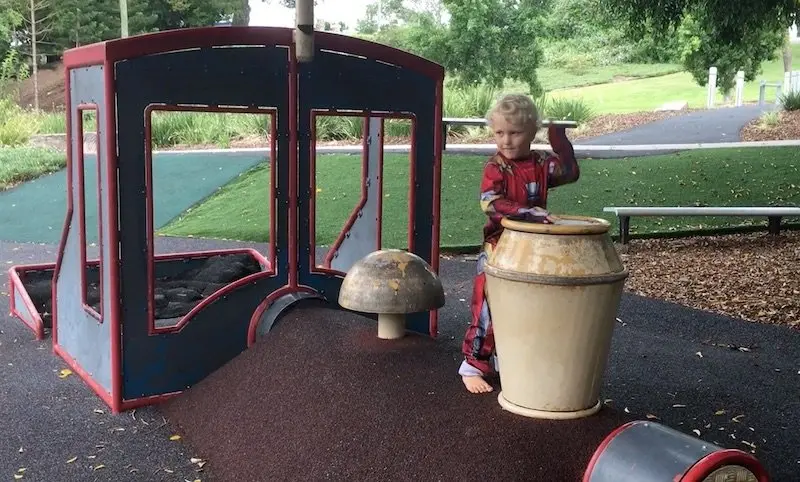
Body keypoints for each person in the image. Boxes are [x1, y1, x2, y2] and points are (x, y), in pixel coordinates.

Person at [459, 93, 581, 394]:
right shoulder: (496, 167)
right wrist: (530, 213)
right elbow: (491, 203)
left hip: (533, 248)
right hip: (499, 247)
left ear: (531, 133)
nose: (506, 140)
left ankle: (512, 356)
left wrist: (560, 142)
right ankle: (473, 364)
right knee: (489, 305)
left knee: (528, 307)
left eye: (515, 133)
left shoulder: (541, 163)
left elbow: (569, 173)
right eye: (500, 133)